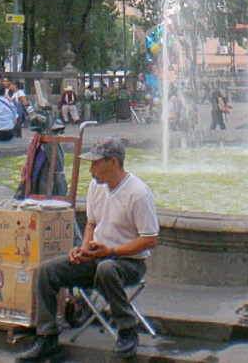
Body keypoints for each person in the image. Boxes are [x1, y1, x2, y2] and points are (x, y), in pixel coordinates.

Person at [15, 138, 159, 361]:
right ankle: (47, 336)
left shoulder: (138, 193)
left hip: (129, 262)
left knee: (107, 269)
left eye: (95, 164)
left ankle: (127, 330)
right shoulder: (96, 187)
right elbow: (91, 223)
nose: (91, 170)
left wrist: (110, 251)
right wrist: (83, 249)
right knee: (46, 271)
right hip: (97, 256)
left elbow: (149, 239)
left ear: (113, 162)